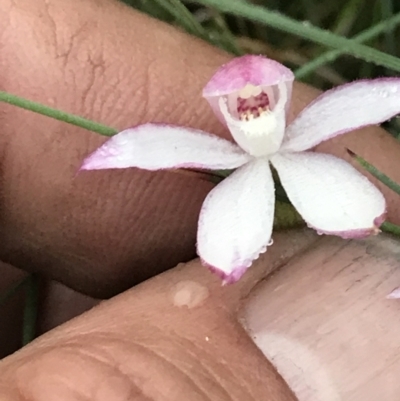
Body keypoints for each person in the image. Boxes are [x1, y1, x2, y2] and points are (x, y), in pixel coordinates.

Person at [0, 0, 400, 399]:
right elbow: (136, 150)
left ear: (280, 92)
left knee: (359, 217)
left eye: (263, 97)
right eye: (240, 104)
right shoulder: (216, 166)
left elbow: (380, 105)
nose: (253, 107)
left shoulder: (321, 130)